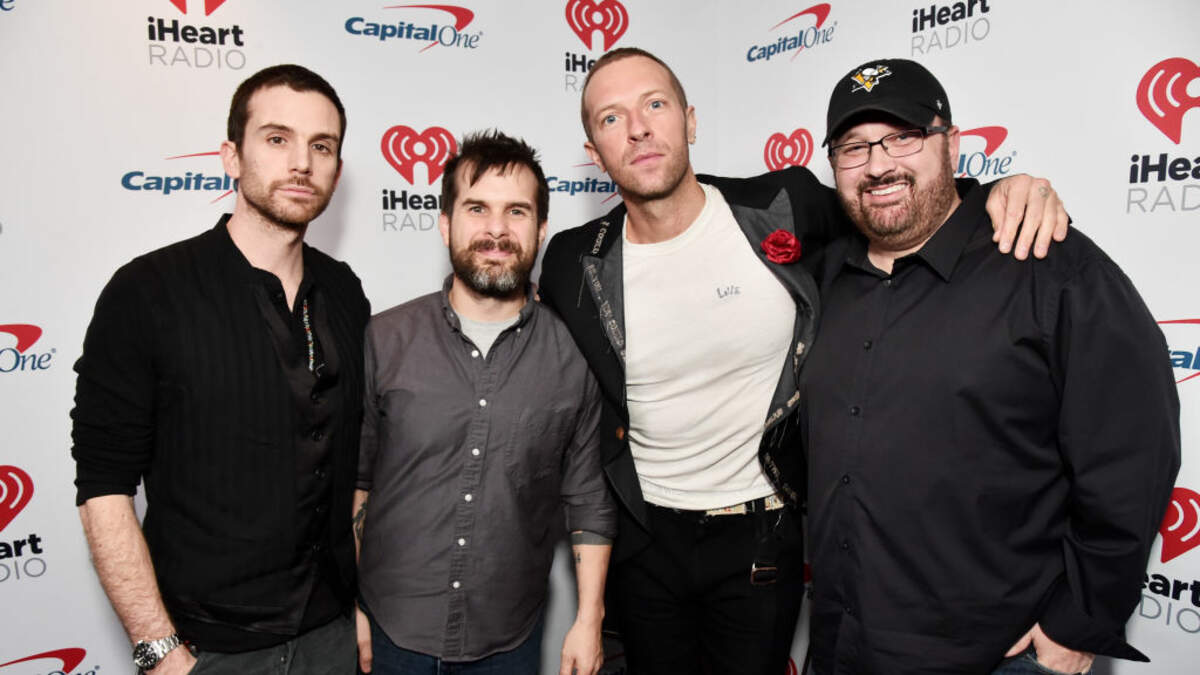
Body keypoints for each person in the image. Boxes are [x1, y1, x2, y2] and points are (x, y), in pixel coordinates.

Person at [537, 46, 1070, 675]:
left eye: (654, 104)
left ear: (690, 120)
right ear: (595, 154)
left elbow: (895, 206)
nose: (638, 128)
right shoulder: (573, 260)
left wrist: (1001, 192)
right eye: (611, 118)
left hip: (762, 535)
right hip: (644, 540)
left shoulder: (783, 203)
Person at [801, 58, 1181, 674]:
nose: (878, 164)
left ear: (951, 143)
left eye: (903, 137)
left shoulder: (1048, 266)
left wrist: (1079, 619)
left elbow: (1133, 452)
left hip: (996, 656)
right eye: (853, 147)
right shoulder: (821, 280)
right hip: (844, 646)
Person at [71, 64, 369, 674]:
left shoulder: (344, 291)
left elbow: (358, 464)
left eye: (322, 147)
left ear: (337, 170)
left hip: (334, 640)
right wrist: (160, 652)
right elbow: (104, 486)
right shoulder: (147, 291)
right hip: (207, 650)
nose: (301, 163)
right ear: (231, 156)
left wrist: (364, 607)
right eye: (277, 139)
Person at [354, 130, 615, 675]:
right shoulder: (384, 339)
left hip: (509, 639)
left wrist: (589, 618)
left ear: (540, 230)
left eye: (516, 212)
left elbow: (588, 497)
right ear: (445, 223)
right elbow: (356, 482)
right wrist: (350, 605)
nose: (496, 229)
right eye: (477, 209)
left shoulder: (573, 356)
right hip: (388, 632)